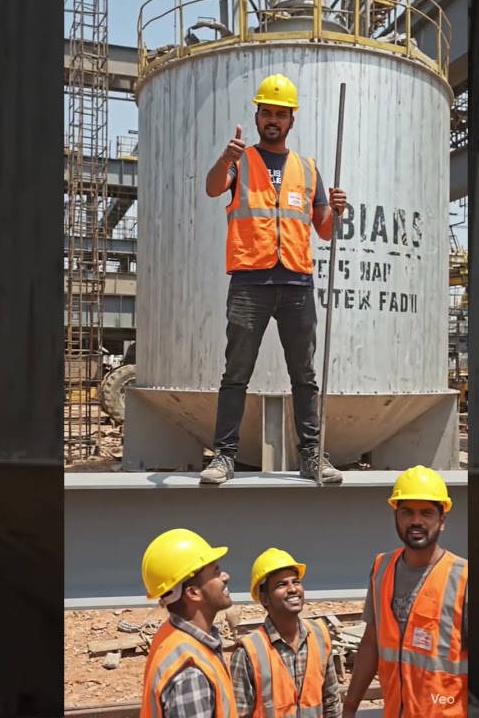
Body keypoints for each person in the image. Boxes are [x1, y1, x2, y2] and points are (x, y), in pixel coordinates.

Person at [199, 73, 347, 487]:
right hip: (250, 282)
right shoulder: (241, 161)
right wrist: (225, 159)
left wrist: (336, 209)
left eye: (280, 114)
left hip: (297, 284)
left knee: (304, 375)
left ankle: (312, 456)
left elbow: (324, 230)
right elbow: (213, 190)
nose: (273, 120)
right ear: (257, 114)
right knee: (236, 373)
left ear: (291, 120)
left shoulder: (308, 168)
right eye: (267, 112)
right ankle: (224, 457)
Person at [341, 466, 468, 717]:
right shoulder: (381, 568)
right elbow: (372, 640)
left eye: (426, 513)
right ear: (396, 517)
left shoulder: (462, 578)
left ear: (442, 521)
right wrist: (350, 705)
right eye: (407, 512)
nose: (416, 521)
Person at [228, 548, 342, 717]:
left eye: (296, 582)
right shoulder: (248, 653)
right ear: (264, 598)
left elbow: (331, 702)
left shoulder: (319, 636)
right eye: (281, 584)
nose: (293, 589)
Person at [140, 528, 239, 717]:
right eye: (215, 571)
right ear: (193, 593)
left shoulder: (170, 635)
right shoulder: (191, 673)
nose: (225, 576)